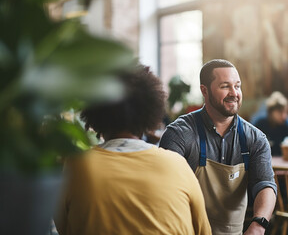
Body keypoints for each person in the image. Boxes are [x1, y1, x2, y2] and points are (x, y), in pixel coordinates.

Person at [55, 65, 211, 235]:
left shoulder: (75, 165)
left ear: (93, 115)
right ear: (150, 113)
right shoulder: (178, 165)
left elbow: (65, 228)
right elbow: (203, 231)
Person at [159, 59, 277, 235]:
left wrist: (258, 226)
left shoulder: (256, 139)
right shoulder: (180, 134)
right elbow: (167, 190)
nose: (234, 93)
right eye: (225, 86)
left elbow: (264, 184)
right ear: (204, 91)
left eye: (237, 86)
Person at [251, 91, 288, 156]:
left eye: (286, 112)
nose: (284, 116)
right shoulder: (260, 123)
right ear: (271, 111)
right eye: (280, 112)